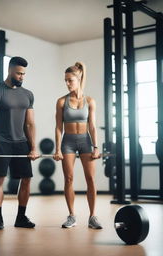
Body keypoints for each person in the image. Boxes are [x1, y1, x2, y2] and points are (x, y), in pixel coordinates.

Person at [0, 56, 39, 230]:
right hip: (1, 142)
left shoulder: (28, 95)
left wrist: (33, 147)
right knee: (0, 178)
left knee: (27, 179)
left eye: (23, 74)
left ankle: (21, 218)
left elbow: (30, 124)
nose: (22, 77)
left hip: (21, 142)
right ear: (10, 70)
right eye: (19, 73)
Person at [53, 62, 102, 229]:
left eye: (70, 80)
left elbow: (93, 126)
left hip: (85, 141)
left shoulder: (90, 101)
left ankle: (93, 217)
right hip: (68, 142)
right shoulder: (61, 102)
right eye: (65, 80)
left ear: (78, 78)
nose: (67, 83)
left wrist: (96, 147)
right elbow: (59, 127)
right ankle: (72, 215)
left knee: (91, 179)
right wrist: (57, 148)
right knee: (69, 178)